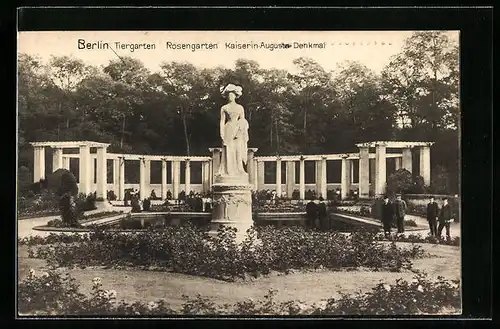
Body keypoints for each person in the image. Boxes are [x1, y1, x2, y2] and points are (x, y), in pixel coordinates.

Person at [218, 83, 249, 177]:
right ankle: (227, 170)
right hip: (228, 128)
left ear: (235, 96)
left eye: (232, 94)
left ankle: (239, 169)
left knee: (238, 149)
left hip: (237, 129)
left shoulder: (240, 107)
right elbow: (222, 121)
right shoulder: (224, 108)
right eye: (228, 95)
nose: (230, 96)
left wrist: (241, 128)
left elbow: (243, 119)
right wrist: (221, 133)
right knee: (228, 149)